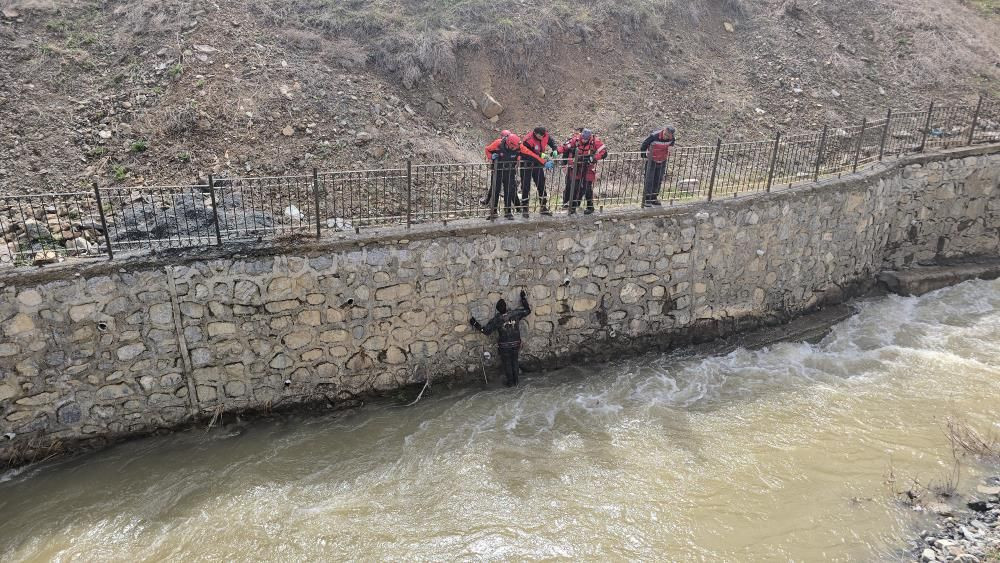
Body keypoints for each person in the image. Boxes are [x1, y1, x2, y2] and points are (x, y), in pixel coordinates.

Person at [470, 290, 531, 387]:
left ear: (498, 310)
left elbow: (486, 331)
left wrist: (475, 323)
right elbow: (527, 310)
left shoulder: (497, 319)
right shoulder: (515, 314)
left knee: (507, 364)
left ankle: (511, 383)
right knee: (514, 361)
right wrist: (523, 298)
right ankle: (516, 382)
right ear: (506, 307)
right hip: (516, 343)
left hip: (504, 346)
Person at [484, 133, 549, 219]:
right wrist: (490, 156)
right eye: (515, 147)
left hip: (510, 172)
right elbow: (487, 149)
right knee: (495, 191)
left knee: (509, 191)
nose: (517, 148)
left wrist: (544, 162)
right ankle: (493, 212)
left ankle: (508, 212)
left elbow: (531, 155)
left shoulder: (519, 147)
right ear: (509, 144)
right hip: (497, 171)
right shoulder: (498, 144)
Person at [563, 128, 607, 215]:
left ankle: (590, 207)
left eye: (586, 139)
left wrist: (593, 158)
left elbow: (604, 153)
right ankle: (572, 207)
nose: (584, 140)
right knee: (575, 187)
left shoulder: (595, 141)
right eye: (583, 138)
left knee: (587, 188)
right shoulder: (575, 140)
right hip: (576, 168)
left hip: (588, 168)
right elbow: (564, 147)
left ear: (589, 137)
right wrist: (556, 151)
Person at [520, 126, 559, 216]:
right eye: (540, 136)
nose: (542, 137)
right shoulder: (527, 141)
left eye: (543, 136)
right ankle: (525, 209)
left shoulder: (545, 135)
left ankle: (543, 207)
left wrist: (555, 149)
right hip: (527, 164)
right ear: (535, 133)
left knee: (541, 184)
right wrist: (544, 160)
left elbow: (551, 142)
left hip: (537, 165)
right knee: (525, 186)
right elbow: (531, 155)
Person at [639, 126, 676, 206]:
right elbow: (644, 144)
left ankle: (654, 198)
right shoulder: (654, 136)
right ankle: (647, 200)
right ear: (664, 130)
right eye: (666, 134)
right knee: (649, 180)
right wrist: (644, 156)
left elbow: (672, 143)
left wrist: (671, 147)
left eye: (668, 136)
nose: (666, 137)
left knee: (658, 180)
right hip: (652, 160)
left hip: (662, 160)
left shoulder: (672, 138)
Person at [560, 128, 584, 208]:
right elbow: (565, 153)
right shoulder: (571, 141)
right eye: (575, 133)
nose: (575, 135)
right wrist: (564, 164)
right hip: (571, 167)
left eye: (577, 133)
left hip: (582, 168)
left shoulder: (586, 142)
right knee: (569, 185)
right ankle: (566, 203)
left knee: (580, 186)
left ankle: (576, 203)